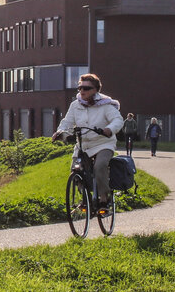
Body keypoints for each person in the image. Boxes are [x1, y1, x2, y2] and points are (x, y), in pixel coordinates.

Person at [51, 73, 124, 207]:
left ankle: (103, 198)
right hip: (83, 145)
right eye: (80, 88)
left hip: (103, 144)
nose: (82, 91)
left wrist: (109, 129)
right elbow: (67, 121)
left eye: (86, 88)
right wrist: (60, 132)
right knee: (76, 170)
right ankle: (85, 199)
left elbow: (117, 120)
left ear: (95, 90)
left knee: (100, 166)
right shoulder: (75, 105)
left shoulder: (106, 105)